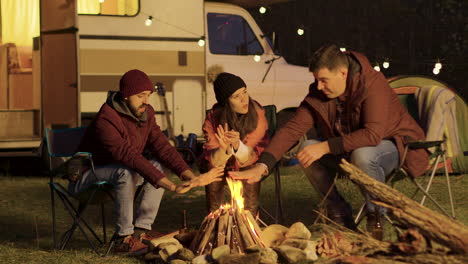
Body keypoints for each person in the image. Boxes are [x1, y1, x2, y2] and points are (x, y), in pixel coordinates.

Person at [230, 44, 428, 239]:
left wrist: (325, 146)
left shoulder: (372, 83)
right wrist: (263, 164)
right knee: (306, 148)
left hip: (396, 145)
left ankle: (375, 217)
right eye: (317, 80)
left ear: (343, 73)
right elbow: (292, 129)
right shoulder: (320, 93)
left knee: (362, 154)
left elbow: (372, 135)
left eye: (324, 80)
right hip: (350, 150)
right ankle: (339, 213)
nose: (319, 86)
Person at [71, 69, 224, 254]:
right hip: (88, 175)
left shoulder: (146, 113)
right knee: (125, 172)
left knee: (157, 164)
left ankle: (141, 231)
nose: (146, 101)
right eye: (140, 96)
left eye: (148, 95)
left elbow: (162, 147)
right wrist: (171, 186)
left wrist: (189, 176)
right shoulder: (106, 118)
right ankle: (123, 238)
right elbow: (129, 156)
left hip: (119, 174)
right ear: (126, 96)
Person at [201, 72, 269, 216]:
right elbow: (214, 160)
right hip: (224, 166)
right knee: (213, 172)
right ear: (226, 102)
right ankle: (215, 222)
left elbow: (253, 156)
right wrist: (225, 150)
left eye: (244, 92)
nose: (244, 99)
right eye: (236, 96)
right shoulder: (213, 119)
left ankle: (249, 221)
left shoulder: (257, 115)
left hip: (252, 165)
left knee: (249, 171)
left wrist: (237, 146)